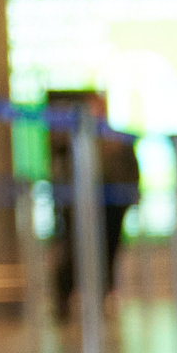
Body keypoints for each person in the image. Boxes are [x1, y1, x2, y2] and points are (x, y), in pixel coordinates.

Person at [49, 91, 142, 320]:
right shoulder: (72, 138)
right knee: (73, 253)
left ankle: (101, 297)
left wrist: (129, 198)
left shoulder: (116, 138)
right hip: (79, 208)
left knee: (108, 253)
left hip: (111, 208)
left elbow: (130, 171)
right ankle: (64, 301)